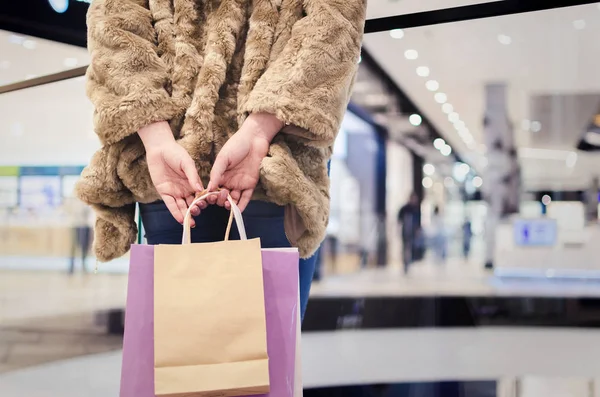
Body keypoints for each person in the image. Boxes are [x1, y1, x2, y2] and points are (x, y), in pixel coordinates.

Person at [75, 0, 367, 320]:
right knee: (221, 346)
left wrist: (258, 129)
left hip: (260, 165)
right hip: (220, 164)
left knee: (201, 344)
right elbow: (334, 23)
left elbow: (112, 21)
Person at [398, 192, 422, 273]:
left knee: (411, 248)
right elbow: (399, 220)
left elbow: (418, 222)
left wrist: (418, 230)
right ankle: (405, 264)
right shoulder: (404, 209)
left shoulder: (416, 209)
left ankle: (410, 262)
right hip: (405, 232)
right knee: (405, 248)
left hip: (413, 233)